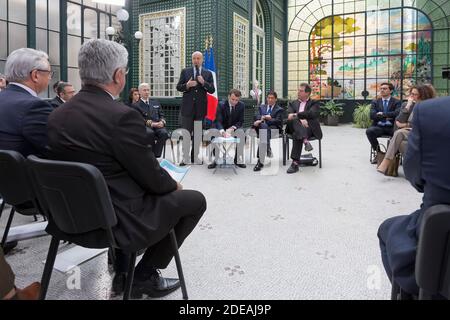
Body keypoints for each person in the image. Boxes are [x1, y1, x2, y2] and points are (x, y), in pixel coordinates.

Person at [47, 39, 206, 298]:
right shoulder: (121, 116)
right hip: (115, 220)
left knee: (124, 187)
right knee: (194, 200)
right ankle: (142, 276)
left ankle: (122, 272)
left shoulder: (56, 115)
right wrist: (172, 183)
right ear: (118, 75)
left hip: (68, 215)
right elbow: (152, 179)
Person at [378, 94, 450, 297]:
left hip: (438, 236)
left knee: (387, 229)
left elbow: (415, 176)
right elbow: (399, 121)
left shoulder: (431, 111)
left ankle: (410, 293)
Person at [0, 48, 54, 157]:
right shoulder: (35, 107)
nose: (50, 78)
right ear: (35, 75)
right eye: (49, 73)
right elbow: (56, 149)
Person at [377, 85, 436, 175]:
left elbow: (427, 123)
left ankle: (386, 162)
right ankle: (416, 168)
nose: (412, 96)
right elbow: (398, 121)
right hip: (409, 133)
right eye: (411, 94)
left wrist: (406, 124)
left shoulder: (430, 106)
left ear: (423, 95)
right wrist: (408, 107)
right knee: (400, 137)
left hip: (423, 134)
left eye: (416, 94)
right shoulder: (407, 105)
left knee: (400, 134)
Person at [176, 51, 215, 165]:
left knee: (198, 134)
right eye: (194, 58)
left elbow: (212, 90)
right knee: (186, 134)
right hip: (187, 109)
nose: (196, 60)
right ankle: (185, 157)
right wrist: (187, 86)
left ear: (202, 60)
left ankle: (195, 157)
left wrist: (204, 83)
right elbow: (179, 87)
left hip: (200, 109)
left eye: (198, 58)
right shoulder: (185, 71)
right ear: (192, 60)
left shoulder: (207, 73)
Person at [286, 83, 323, 174]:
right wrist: (300, 119)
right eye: (298, 90)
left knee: (297, 134)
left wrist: (297, 115)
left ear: (307, 93)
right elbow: (288, 116)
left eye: (301, 90)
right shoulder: (293, 103)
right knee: (293, 121)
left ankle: (295, 163)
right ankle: (305, 141)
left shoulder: (314, 103)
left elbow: (311, 114)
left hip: (308, 128)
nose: (298, 92)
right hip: (294, 126)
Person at [208, 89, 246, 169]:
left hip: (233, 128)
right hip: (221, 127)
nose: (234, 102)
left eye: (236, 100)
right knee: (214, 132)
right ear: (229, 97)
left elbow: (241, 121)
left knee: (241, 134)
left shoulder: (241, 105)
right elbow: (218, 120)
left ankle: (237, 160)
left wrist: (232, 128)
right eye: (233, 99)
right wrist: (222, 131)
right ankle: (216, 159)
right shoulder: (221, 104)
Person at [366, 83, 402, 163]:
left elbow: (397, 113)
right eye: (381, 88)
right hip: (379, 127)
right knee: (369, 131)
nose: (382, 90)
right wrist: (389, 115)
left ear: (391, 91)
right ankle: (379, 153)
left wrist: (382, 114)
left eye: (385, 88)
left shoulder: (396, 102)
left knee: (399, 134)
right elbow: (372, 115)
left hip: (392, 127)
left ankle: (393, 156)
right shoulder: (375, 102)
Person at [132, 83, 169, 158]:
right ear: (139, 92)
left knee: (164, 133)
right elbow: (138, 119)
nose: (147, 92)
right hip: (145, 127)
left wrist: (162, 122)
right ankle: (150, 155)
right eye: (144, 90)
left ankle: (155, 155)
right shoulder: (136, 105)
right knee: (149, 133)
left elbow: (162, 115)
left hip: (158, 126)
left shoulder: (155, 102)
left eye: (148, 90)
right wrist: (152, 124)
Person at [253, 91, 284, 172]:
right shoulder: (262, 107)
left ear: (276, 99)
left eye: (272, 98)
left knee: (264, 127)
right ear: (266, 98)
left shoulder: (279, 109)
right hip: (261, 128)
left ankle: (260, 161)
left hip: (274, 129)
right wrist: (262, 117)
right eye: (268, 98)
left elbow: (279, 121)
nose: (270, 100)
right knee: (263, 127)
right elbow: (256, 116)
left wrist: (269, 119)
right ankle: (267, 148)